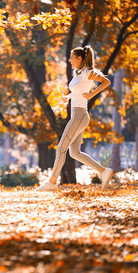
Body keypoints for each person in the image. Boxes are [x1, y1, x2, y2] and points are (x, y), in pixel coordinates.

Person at [38, 45, 113, 191]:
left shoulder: (89, 72)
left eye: (72, 57)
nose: (69, 59)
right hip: (76, 115)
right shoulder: (77, 72)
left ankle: (52, 183)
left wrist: (92, 94)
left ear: (79, 59)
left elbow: (106, 82)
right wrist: (69, 96)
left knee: (61, 148)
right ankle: (104, 171)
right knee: (74, 152)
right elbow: (78, 90)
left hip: (80, 115)